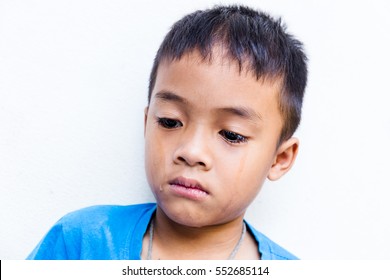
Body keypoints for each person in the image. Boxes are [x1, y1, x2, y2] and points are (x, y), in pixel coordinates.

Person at [27, 4, 308, 260]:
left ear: (279, 158)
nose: (191, 151)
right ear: (147, 123)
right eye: (170, 122)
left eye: (231, 135)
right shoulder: (81, 242)